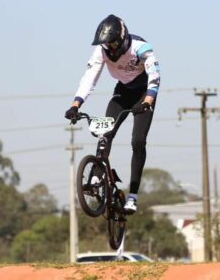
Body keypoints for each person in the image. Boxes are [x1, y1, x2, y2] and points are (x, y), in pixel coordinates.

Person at [64, 14, 160, 214]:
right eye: (107, 44)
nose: (111, 48)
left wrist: (148, 101)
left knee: (138, 141)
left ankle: (133, 196)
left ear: (123, 38)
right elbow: (90, 77)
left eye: (114, 43)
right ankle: (97, 175)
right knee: (105, 133)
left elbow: (155, 76)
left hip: (144, 93)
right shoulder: (101, 51)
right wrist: (76, 105)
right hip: (123, 92)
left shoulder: (141, 47)